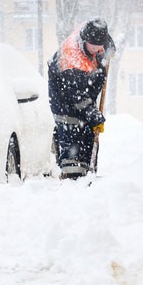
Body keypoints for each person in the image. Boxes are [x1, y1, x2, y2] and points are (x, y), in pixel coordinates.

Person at [47, 18, 115, 179]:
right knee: (73, 148)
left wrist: (109, 48)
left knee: (87, 136)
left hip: (83, 98)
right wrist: (95, 116)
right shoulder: (72, 60)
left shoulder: (90, 33)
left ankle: (87, 174)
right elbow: (78, 98)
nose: (97, 50)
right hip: (65, 102)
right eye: (94, 46)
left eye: (100, 46)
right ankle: (72, 180)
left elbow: (103, 39)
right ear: (85, 40)